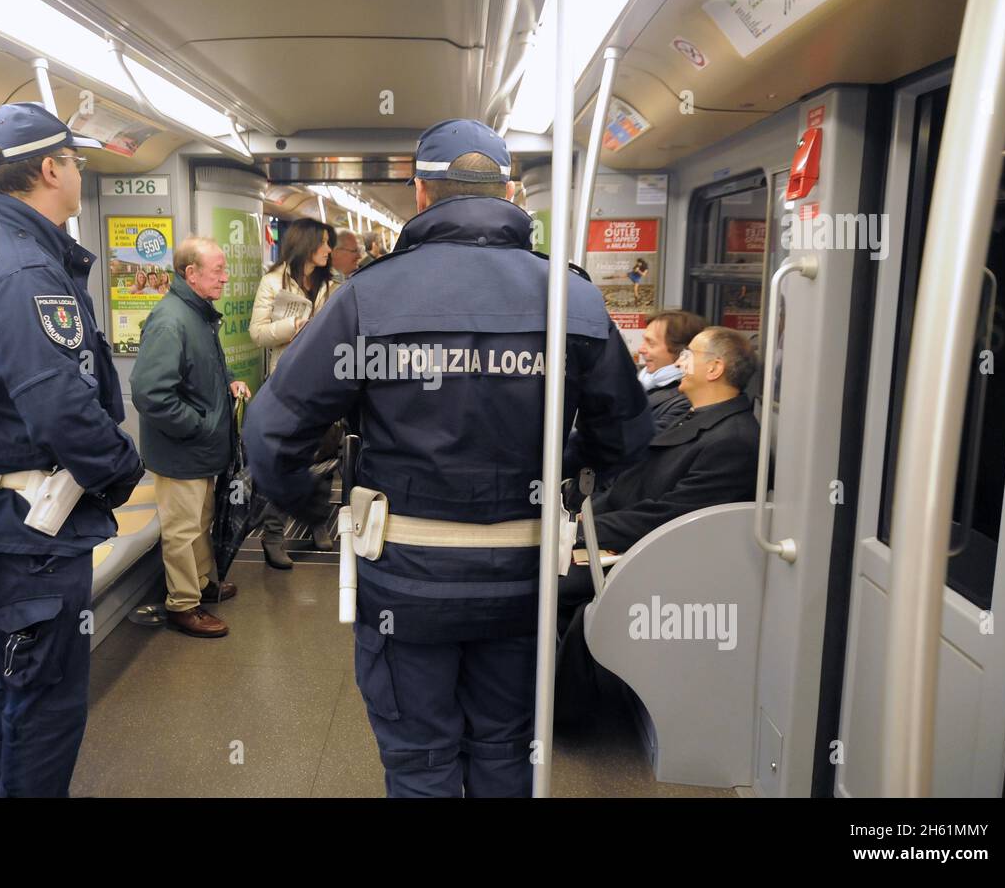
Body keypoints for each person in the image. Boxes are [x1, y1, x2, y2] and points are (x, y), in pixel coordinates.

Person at [243, 119, 652, 797]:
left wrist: (317, 506)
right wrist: (560, 468)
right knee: (503, 752)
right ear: (511, 191)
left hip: (406, 581)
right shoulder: (571, 299)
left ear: (422, 193)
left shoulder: (366, 298)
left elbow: (270, 431)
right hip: (522, 584)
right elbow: (626, 436)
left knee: (421, 762)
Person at [0, 102, 145, 797]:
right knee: (47, 704)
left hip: (7, 529)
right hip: (28, 536)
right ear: (51, 167)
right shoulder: (23, 271)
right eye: (77, 161)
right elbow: (59, 405)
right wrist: (123, 473)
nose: (81, 172)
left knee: (19, 684)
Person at [556, 326, 760, 721]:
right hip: (637, 543)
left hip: (664, 562)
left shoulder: (732, 440)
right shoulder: (698, 419)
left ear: (715, 368)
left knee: (555, 584)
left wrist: (583, 532)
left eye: (691, 355)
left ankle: (569, 709)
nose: (681, 362)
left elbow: (672, 515)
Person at [131, 237, 252, 637]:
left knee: (200, 521)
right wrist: (199, 427)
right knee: (183, 530)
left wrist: (230, 382)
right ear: (191, 274)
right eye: (218, 270)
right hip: (182, 450)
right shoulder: (171, 320)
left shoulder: (196, 314)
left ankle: (200, 584)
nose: (225, 277)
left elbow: (204, 370)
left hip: (198, 449)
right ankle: (182, 605)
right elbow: (151, 393)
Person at [248, 219, 338, 567]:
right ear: (307, 244)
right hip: (287, 385)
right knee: (287, 458)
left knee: (325, 454)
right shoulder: (273, 283)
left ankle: (317, 521)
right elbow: (257, 333)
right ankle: (273, 536)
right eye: (324, 243)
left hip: (325, 382)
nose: (328, 250)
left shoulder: (330, 287)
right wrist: (292, 328)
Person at [636, 309, 707, 432]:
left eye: (651, 343)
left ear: (681, 352)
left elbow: (644, 440)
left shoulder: (689, 400)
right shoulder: (640, 382)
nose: (641, 349)